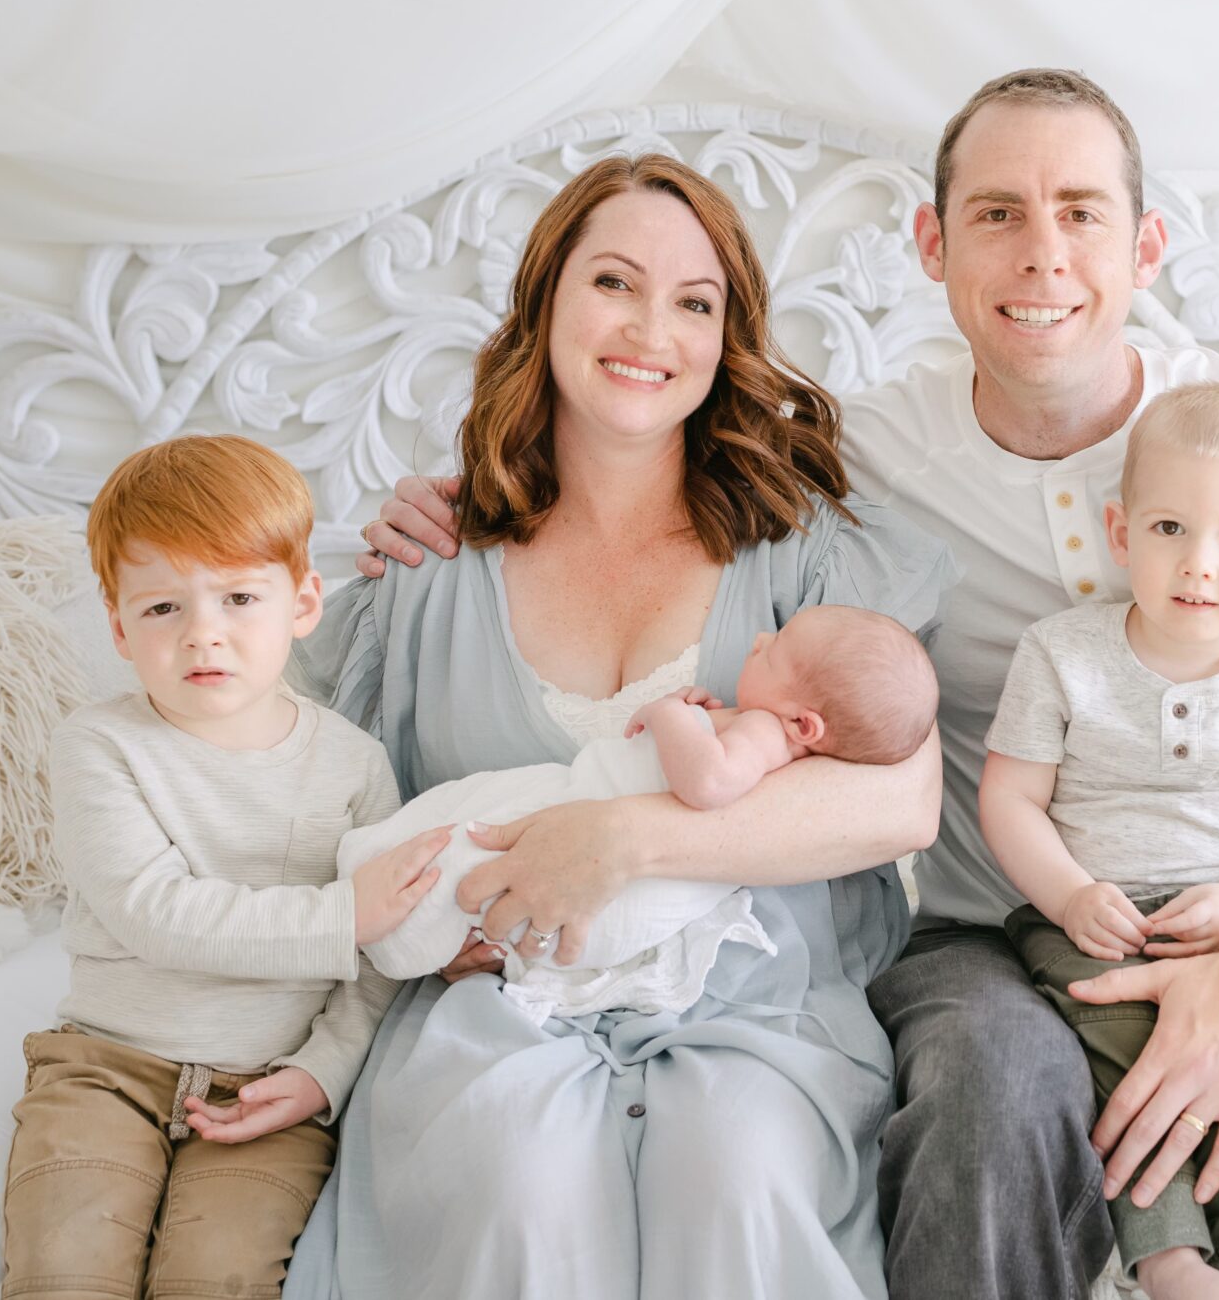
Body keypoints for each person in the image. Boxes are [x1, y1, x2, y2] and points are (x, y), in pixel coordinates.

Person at [363, 68, 1219, 1300]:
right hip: (989, 932)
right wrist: (453, 502)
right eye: (998, 214)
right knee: (985, 1095)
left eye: (1081, 212)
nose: (1042, 255)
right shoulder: (855, 464)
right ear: (932, 243)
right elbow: (653, 435)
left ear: (1147, 246)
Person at [283, 154, 956, 1300]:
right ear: (545, 299)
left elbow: (900, 800)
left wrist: (622, 842)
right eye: (613, 282)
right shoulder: (430, 569)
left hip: (756, 1000)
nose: (652, 328)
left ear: (726, 335)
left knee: (737, 1172)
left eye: (695, 302)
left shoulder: (806, 551)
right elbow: (313, 810)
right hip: (494, 1003)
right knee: (517, 1180)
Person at [2, 434, 439, 1300]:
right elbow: (154, 910)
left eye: (240, 596)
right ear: (119, 624)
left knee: (221, 1277)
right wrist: (343, 915)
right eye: (164, 608)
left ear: (304, 602)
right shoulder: (99, 745)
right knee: (64, 1269)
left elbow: (382, 961)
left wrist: (323, 1070)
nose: (205, 633)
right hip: (105, 1067)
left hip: (268, 1089)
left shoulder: (354, 765)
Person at [982, 384, 1219, 1300]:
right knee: (1125, 1043)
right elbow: (1010, 800)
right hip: (1093, 920)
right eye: (1168, 528)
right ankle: (1167, 1260)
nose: (1198, 563)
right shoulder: (1061, 654)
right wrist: (1070, 893)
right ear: (1120, 533)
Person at [337, 605, 938, 1025]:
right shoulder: (767, 734)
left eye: (775, 652)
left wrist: (671, 714)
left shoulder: (763, 730)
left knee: (476, 842)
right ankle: (396, 921)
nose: (759, 641)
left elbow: (706, 783)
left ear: (805, 724)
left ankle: (385, 924)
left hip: (628, 872)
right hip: (618, 870)